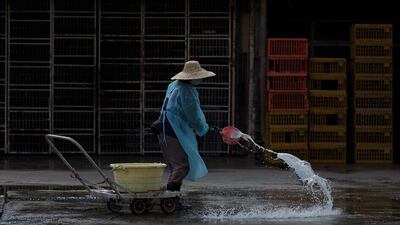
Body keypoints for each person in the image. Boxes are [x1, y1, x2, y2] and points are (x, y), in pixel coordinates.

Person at [151, 60, 217, 210]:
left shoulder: (173, 85)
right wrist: (203, 128)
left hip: (165, 127)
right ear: (191, 77)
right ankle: (170, 201)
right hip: (172, 129)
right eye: (198, 76)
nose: (200, 79)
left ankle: (173, 200)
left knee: (177, 165)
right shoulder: (187, 91)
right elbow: (193, 115)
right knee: (181, 166)